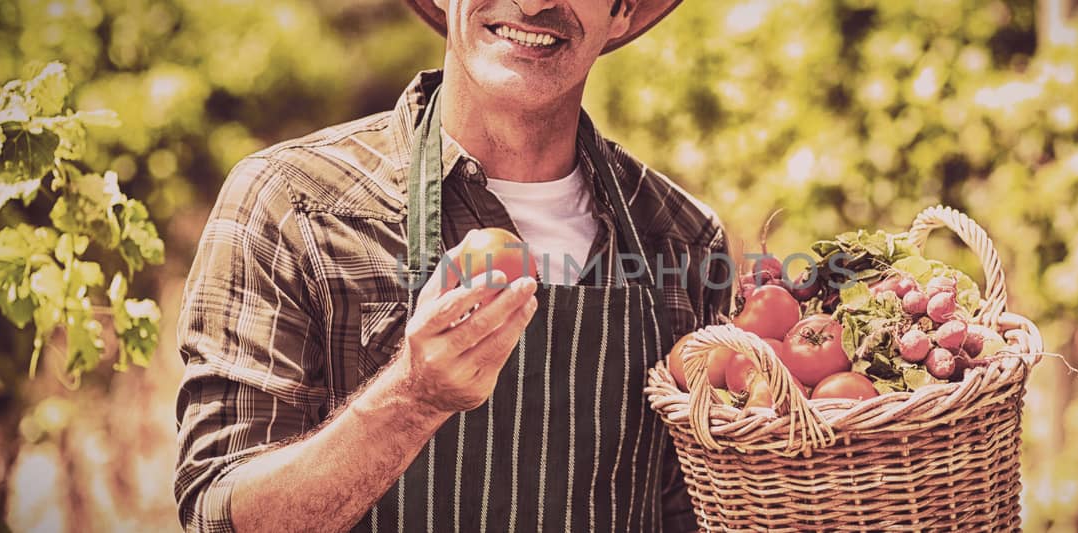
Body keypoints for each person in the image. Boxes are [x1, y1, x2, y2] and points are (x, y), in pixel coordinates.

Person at [173, 0, 730, 531]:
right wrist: (411, 399)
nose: (533, 4)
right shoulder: (292, 204)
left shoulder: (685, 242)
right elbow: (219, 514)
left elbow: (700, 515)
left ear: (622, 9)